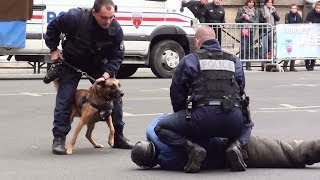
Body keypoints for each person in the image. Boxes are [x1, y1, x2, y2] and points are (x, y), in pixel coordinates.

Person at [154, 25, 253, 173]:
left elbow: (176, 92)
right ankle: (235, 146)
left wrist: (182, 115)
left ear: (197, 41)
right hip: (232, 120)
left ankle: (192, 148)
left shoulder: (190, 60)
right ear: (215, 39)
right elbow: (241, 87)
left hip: (201, 121)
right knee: (248, 124)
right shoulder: (233, 60)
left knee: (160, 127)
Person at [45, 0, 133, 155]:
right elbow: (53, 27)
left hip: (97, 64)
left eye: (111, 17)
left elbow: (117, 56)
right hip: (72, 61)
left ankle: (118, 135)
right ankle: (59, 138)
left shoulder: (115, 29)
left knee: (114, 94)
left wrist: (106, 76)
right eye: (104, 17)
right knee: (65, 97)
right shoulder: (74, 17)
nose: (108, 21)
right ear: (94, 12)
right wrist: (53, 50)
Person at [132, 114, 320, 171]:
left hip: (225, 155)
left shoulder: (168, 163)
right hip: (225, 137)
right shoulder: (152, 131)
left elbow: (210, 163)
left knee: (286, 154)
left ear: (149, 163)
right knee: (288, 150)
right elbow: (167, 117)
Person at [235, 0, 259, 71]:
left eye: (252, 2)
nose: (251, 4)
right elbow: (236, 20)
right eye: (249, 2)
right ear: (247, 3)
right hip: (244, 30)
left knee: (250, 47)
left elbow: (256, 21)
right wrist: (243, 17)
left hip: (252, 30)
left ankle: (249, 65)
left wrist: (249, 19)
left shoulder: (256, 11)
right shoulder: (241, 9)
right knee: (243, 47)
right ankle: (241, 64)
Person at [259, 0, 280, 70]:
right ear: (266, 3)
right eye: (268, 2)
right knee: (264, 47)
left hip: (271, 30)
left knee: (270, 48)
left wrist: (274, 12)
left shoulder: (273, 10)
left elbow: (278, 19)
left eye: (271, 2)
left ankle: (270, 63)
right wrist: (264, 17)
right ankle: (263, 63)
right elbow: (258, 20)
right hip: (264, 30)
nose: (269, 4)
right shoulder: (261, 9)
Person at [283, 4, 302, 72]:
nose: (294, 9)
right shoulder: (287, 15)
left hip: (295, 35)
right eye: (292, 8)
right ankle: (285, 66)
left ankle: (292, 66)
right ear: (290, 9)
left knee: (294, 51)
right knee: (288, 51)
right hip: (289, 35)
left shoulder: (298, 16)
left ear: (297, 9)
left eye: (295, 8)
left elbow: (300, 24)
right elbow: (287, 23)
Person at [304, 1, 320, 71]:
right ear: (315, 7)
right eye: (317, 8)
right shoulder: (310, 14)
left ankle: (312, 64)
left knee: (315, 50)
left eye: (319, 8)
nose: (318, 9)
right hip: (310, 34)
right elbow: (305, 21)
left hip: (317, 34)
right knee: (309, 49)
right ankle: (307, 63)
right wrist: (309, 23)